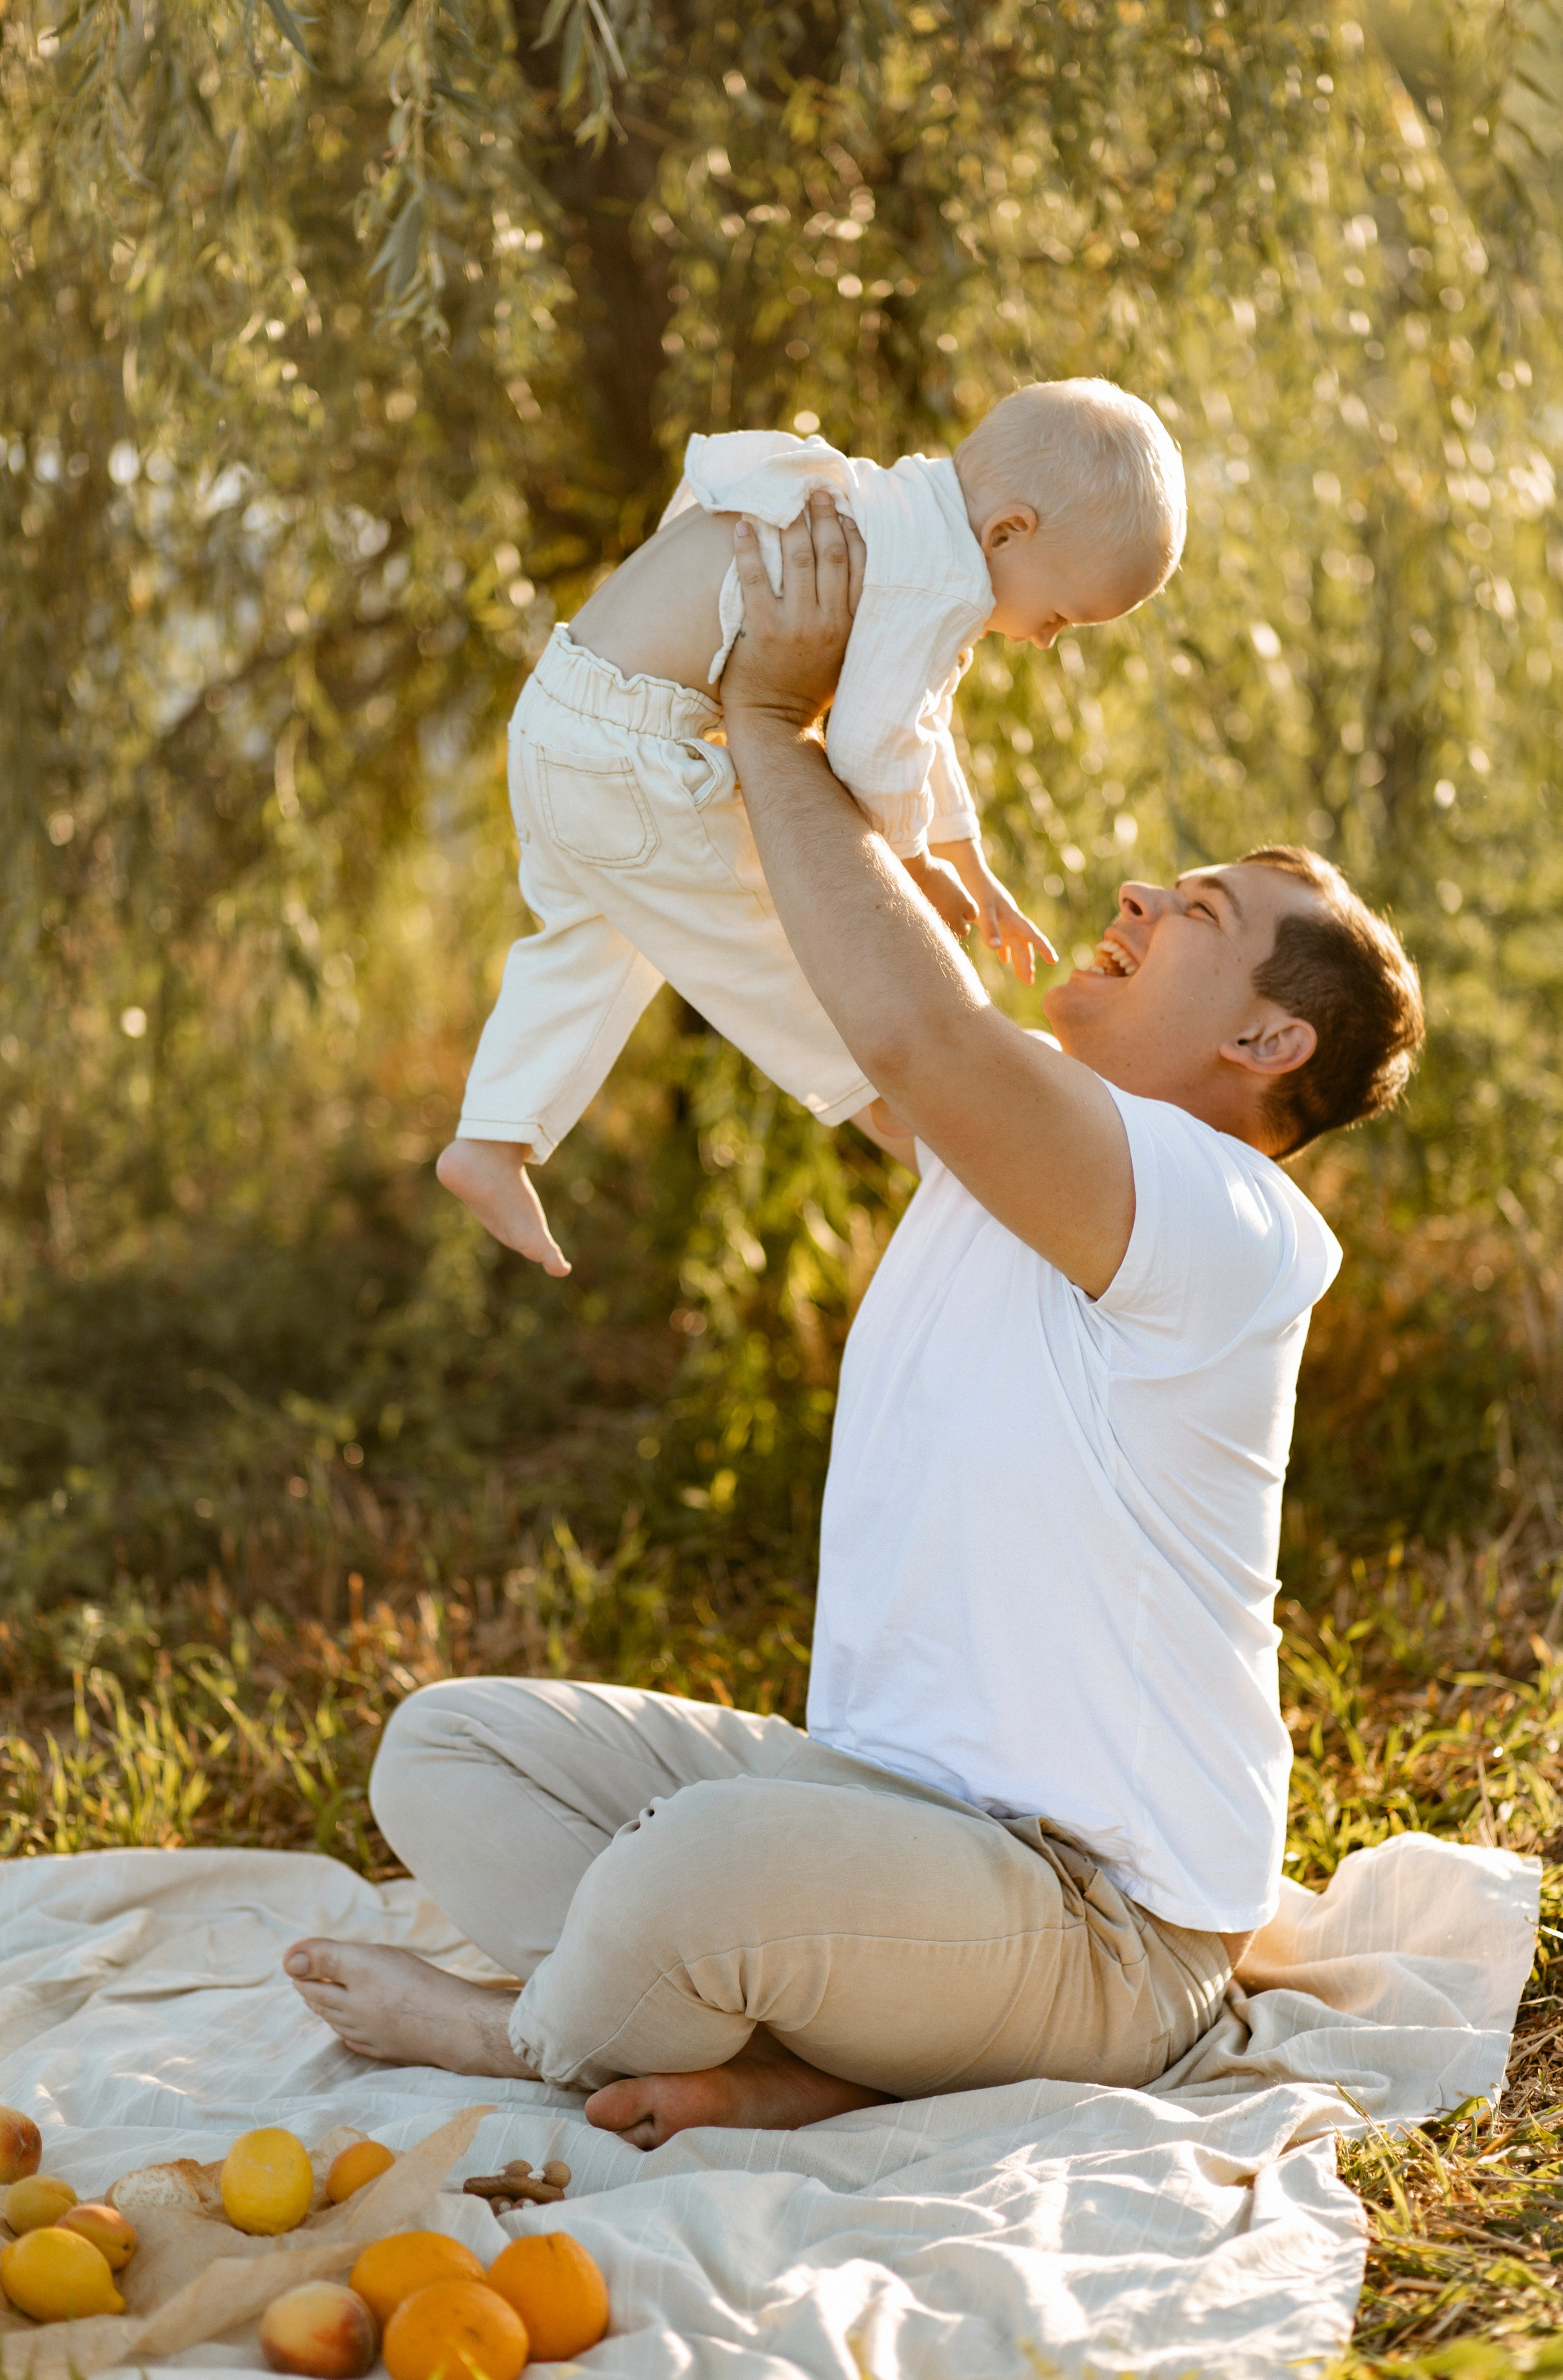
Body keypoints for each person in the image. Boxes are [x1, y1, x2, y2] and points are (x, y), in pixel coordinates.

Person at [285, 498, 1424, 2148]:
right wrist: (674, 736)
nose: (1136, 891)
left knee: (691, 1875)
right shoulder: (1018, 1161)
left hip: (1102, 1922)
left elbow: (914, 1030)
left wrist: (771, 720)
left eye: (1200, 910)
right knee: (448, 1752)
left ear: (1262, 1043)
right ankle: (794, 2058)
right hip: (907, 1825)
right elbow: (832, 983)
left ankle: (522, 2035)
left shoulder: (1229, 1221)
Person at [437, 381, 1186, 1276]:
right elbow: (872, 748)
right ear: (1008, 533)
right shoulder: (937, 579)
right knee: (805, 960)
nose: (1044, 642)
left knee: (597, 939)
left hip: (564, 720)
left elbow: (919, 729)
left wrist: (970, 869)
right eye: (1060, 616)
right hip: (635, 754)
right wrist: (904, 873)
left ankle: (492, 1139)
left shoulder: (898, 512)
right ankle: (947, 1130)